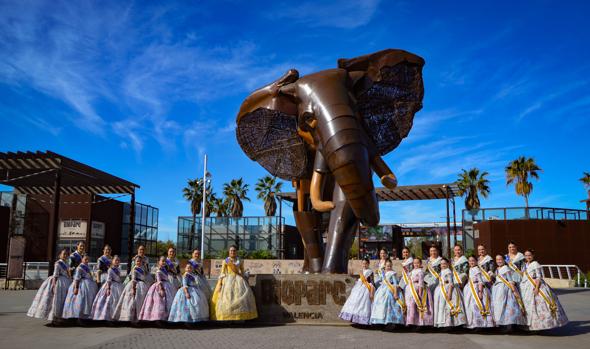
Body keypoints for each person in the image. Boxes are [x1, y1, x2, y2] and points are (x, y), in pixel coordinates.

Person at [520, 249, 568, 331]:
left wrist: (537, 288)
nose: (528, 257)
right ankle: (530, 324)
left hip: (535, 286)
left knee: (537, 306)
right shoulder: (525, 264)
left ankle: (541, 325)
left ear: (533, 255)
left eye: (529, 255)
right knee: (528, 305)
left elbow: (539, 277)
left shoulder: (535, 264)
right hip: (526, 287)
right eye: (526, 255)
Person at [211, 245, 258, 321]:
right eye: (231, 251)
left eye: (234, 251)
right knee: (228, 297)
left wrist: (245, 277)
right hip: (228, 280)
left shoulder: (240, 261)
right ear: (229, 252)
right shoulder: (226, 261)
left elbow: (242, 272)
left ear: (236, 252)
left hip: (239, 280)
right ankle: (228, 318)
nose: (232, 252)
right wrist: (220, 283)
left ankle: (240, 317)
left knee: (241, 296)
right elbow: (222, 272)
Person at [27, 249, 72, 321]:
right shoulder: (58, 263)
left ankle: (61, 317)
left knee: (63, 300)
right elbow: (55, 275)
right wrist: (54, 286)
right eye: (64, 254)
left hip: (65, 282)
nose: (65, 255)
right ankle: (54, 318)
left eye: (66, 254)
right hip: (59, 282)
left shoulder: (66, 263)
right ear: (59, 255)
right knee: (55, 300)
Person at [492, 254, 526, 327]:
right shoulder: (497, 269)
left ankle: (508, 324)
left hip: (505, 289)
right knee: (498, 305)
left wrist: (514, 290)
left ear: (504, 260)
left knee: (505, 306)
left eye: (500, 259)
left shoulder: (506, 268)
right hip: (497, 289)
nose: (499, 261)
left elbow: (510, 280)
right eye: (497, 260)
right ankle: (500, 322)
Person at [138, 256, 175, 322]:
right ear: (159, 262)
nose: (164, 262)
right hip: (160, 287)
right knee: (159, 302)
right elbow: (158, 280)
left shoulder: (164, 269)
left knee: (167, 302)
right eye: (162, 261)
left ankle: (167, 317)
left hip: (167, 286)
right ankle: (158, 318)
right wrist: (161, 289)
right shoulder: (158, 271)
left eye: (165, 261)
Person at [62, 254, 98, 320]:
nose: (87, 261)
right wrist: (76, 288)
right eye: (85, 259)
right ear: (82, 260)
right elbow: (77, 278)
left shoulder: (87, 267)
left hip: (89, 285)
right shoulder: (80, 267)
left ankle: (86, 317)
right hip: (81, 285)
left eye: (88, 259)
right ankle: (79, 317)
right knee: (80, 301)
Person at [113, 255, 149, 322]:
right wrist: (134, 288)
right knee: (133, 301)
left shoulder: (142, 268)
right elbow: (133, 279)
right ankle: (132, 318)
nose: (139, 262)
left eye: (140, 261)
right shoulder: (134, 269)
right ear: (135, 262)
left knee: (141, 301)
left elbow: (145, 275)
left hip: (142, 285)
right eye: (137, 261)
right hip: (135, 285)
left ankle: (140, 317)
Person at [339, 258, 374, 325]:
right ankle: (355, 319)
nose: (364, 265)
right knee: (355, 302)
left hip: (366, 289)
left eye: (366, 263)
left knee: (364, 305)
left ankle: (363, 320)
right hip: (358, 288)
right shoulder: (362, 271)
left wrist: (371, 291)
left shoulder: (370, 272)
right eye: (363, 263)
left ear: (368, 264)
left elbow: (372, 281)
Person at [433, 257, 466, 328]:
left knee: (448, 305)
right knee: (442, 306)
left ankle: (450, 324)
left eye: (444, 263)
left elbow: (451, 283)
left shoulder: (448, 271)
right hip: (441, 289)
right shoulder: (441, 271)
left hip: (448, 289)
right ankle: (444, 323)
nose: (443, 265)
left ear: (448, 264)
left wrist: (450, 293)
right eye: (441, 264)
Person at [370, 259, 405, 326]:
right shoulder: (383, 273)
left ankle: (389, 321)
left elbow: (395, 283)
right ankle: (380, 320)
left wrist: (395, 293)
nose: (389, 267)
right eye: (387, 266)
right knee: (378, 301)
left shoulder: (392, 273)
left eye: (390, 266)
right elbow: (380, 280)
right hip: (382, 289)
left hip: (390, 289)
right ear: (385, 266)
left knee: (388, 302)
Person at [464, 255, 495, 329]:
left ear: (476, 262)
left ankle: (480, 324)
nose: (471, 262)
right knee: (471, 306)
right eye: (470, 261)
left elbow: (481, 281)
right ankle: (474, 324)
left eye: (473, 261)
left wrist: (480, 292)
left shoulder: (476, 269)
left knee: (477, 306)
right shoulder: (470, 269)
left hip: (477, 289)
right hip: (470, 288)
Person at [91, 255, 123, 321]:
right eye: (115, 260)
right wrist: (108, 289)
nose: (117, 261)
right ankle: (108, 317)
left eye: (118, 260)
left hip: (118, 286)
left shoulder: (118, 269)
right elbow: (108, 280)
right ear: (112, 261)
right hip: (111, 285)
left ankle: (116, 317)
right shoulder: (110, 269)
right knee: (110, 301)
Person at [404, 257, 433, 326]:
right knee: (410, 305)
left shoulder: (420, 271)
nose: (416, 264)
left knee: (415, 305)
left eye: (417, 263)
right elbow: (410, 278)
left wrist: (420, 293)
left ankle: (419, 322)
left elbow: (421, 282)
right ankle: (411, 321)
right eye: (414, 263)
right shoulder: (413, 271)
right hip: (411, 289)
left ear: (420, 264)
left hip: (418, 289)